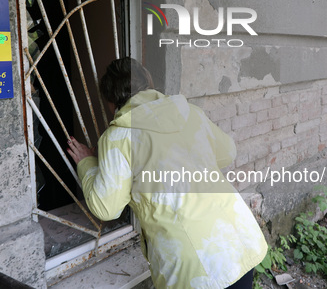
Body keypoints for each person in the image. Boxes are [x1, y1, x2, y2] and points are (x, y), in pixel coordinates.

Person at [67, 57, 268, 289]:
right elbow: (228, 152)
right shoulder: (190, 113)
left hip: (197, 269)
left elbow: (106, 207)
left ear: (111, 103)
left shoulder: (118, 138)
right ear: (149, 84)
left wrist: (87, 164)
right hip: (239, 240)